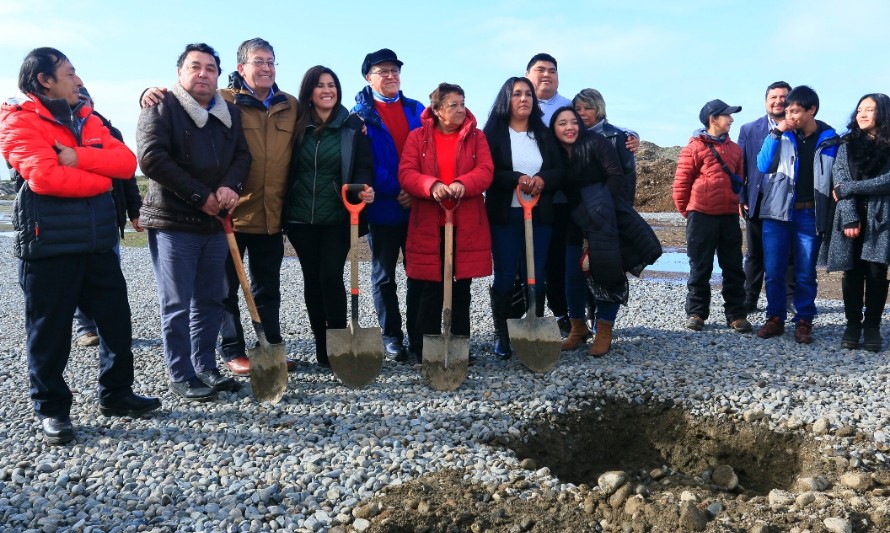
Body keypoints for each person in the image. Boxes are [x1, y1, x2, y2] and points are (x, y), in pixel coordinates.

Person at [0, 47, 160, 445]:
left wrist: (77, 157)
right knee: (49, 332)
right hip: (48, 246)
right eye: (69, 73)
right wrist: (100, 178)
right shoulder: (17, 120)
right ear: (45, 81)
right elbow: (46, 179)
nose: (78, 80)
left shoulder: (88, 118)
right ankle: (52, 410)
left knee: (117, 324)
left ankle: (117, 394)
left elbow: (126, 163)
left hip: (97, 242)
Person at [137, 43, 252, 400]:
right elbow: (152, 159)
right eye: (195, 67)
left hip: (214, 222)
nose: (203, 74)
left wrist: (231, 188)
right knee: (177, 302)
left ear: (219, 75)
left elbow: (242, 156)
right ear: (180, 73)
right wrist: (200, 197)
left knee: (211, 298)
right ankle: (180, 372)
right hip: (175, 221)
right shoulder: (160, 106)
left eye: (210, 69)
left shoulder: (228, 113)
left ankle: (205, 367)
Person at [284, 66, 375, 367]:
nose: (327, 90)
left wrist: (364, 188)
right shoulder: (295, 124)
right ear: (309, 91)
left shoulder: (352, 126)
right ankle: (323, 349)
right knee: (312, 279)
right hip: (299, 218)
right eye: (320, 85)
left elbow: (363, 165)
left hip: (338, 217)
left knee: (330, 275)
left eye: (332, 85)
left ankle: (338, 342)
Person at [398, 83, 493, 361]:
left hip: (465, 222)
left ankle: (459, 345)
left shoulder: (477, 137)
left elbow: (486, 170)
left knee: (461, 287)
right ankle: (424, 347)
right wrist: (432, 185)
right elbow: (407, 173)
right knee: (430, 285)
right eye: (454, 104)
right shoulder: (418, 138)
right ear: (437, 110)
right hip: (429, 223)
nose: (461, 109)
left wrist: (464, 183)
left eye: (463, 103)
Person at [483, 76, 564, 359]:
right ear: (507, 99)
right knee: (504, 276)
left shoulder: (543, 134)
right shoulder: (492, 135)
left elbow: (559, 171)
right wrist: (517, 178)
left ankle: (533, 329)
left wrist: (542, 179)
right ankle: (502, 334)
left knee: (536, 276)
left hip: (539, 216)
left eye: (528, 94)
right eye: (517, 94)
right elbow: (488, 173)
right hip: (505, 216)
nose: (524, 99)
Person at [351, 49, 424, 362]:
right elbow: (366, 162)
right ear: (369, 77)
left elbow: (428, 151)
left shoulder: (417, 109)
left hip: (417, 206)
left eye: (395, 70)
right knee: (383, 276)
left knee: (419, 273)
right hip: (382, 207)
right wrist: (397, 187)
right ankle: (392, 336)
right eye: (383, 71)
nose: (391, 76)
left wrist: (415, 187)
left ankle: (419, 333)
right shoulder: (359, 115)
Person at [755, 86, 838, 343]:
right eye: (787, 110)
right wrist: (775, 134)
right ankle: (775, 317)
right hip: (776, 213)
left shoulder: (830, 140)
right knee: (774, 270)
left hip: (809, 214)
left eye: (794, 111)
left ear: (811, 110)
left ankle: (804, 320)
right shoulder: (781, 134)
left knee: (805, 271)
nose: (788, 115)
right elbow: (763, 165)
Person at [72, 86, 144, 348]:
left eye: (85, 99)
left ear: (91, 101)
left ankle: (110, 329)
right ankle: (86, 328)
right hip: (73, 219)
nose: (80, 103)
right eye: (76, 98)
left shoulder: (110, 132)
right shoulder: (62, 131)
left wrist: (135, 212)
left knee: (109, 275)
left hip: (108, 216)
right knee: (78, 276)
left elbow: (127, 177)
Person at [550, 107, 626, 355]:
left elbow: (615, 176)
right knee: (572, 274)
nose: (569, 127)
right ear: (554, 129)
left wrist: (600, 209)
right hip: (572, 221)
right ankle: (578, 328)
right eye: (562, 123)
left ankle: (604, 330)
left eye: (573, 122)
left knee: (606, 272)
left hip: (602, 218)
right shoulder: (554, 152)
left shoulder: (596, 142)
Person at [673, 100, 751, 333]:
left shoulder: (736, 150)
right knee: (700, 266)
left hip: (728, 217)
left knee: (734, 267)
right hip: (701, 217)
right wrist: (691, 212)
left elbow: (739, 180)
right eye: (727, 115)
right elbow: (680, 185)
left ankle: (736, 315)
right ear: (713, 119)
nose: (731, 119)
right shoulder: (693, 148)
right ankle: (696, 313)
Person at [827, 93, 890, 351]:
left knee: (877, 272)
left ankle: (872, 326)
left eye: (869, 110)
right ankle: (853, 324)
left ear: (883, 114)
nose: (861, 114)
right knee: (851, 272)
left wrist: (851, 188)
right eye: (859, 110)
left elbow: (887, 182)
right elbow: (838, 182)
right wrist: (850, 215)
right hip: (850, 216)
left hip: (882, 217)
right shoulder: (846, 144)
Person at [738, 81, 794, 313]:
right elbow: (740, 165)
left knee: (790, 252)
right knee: (754, 253)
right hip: (758, 196)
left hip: (790, 198)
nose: (779, 101)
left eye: (783, 97)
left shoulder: (798, 126)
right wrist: (741, 195)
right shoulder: (750, 129)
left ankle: (791, 299)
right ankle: (749, 298)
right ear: (766, 101)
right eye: (774, 97)